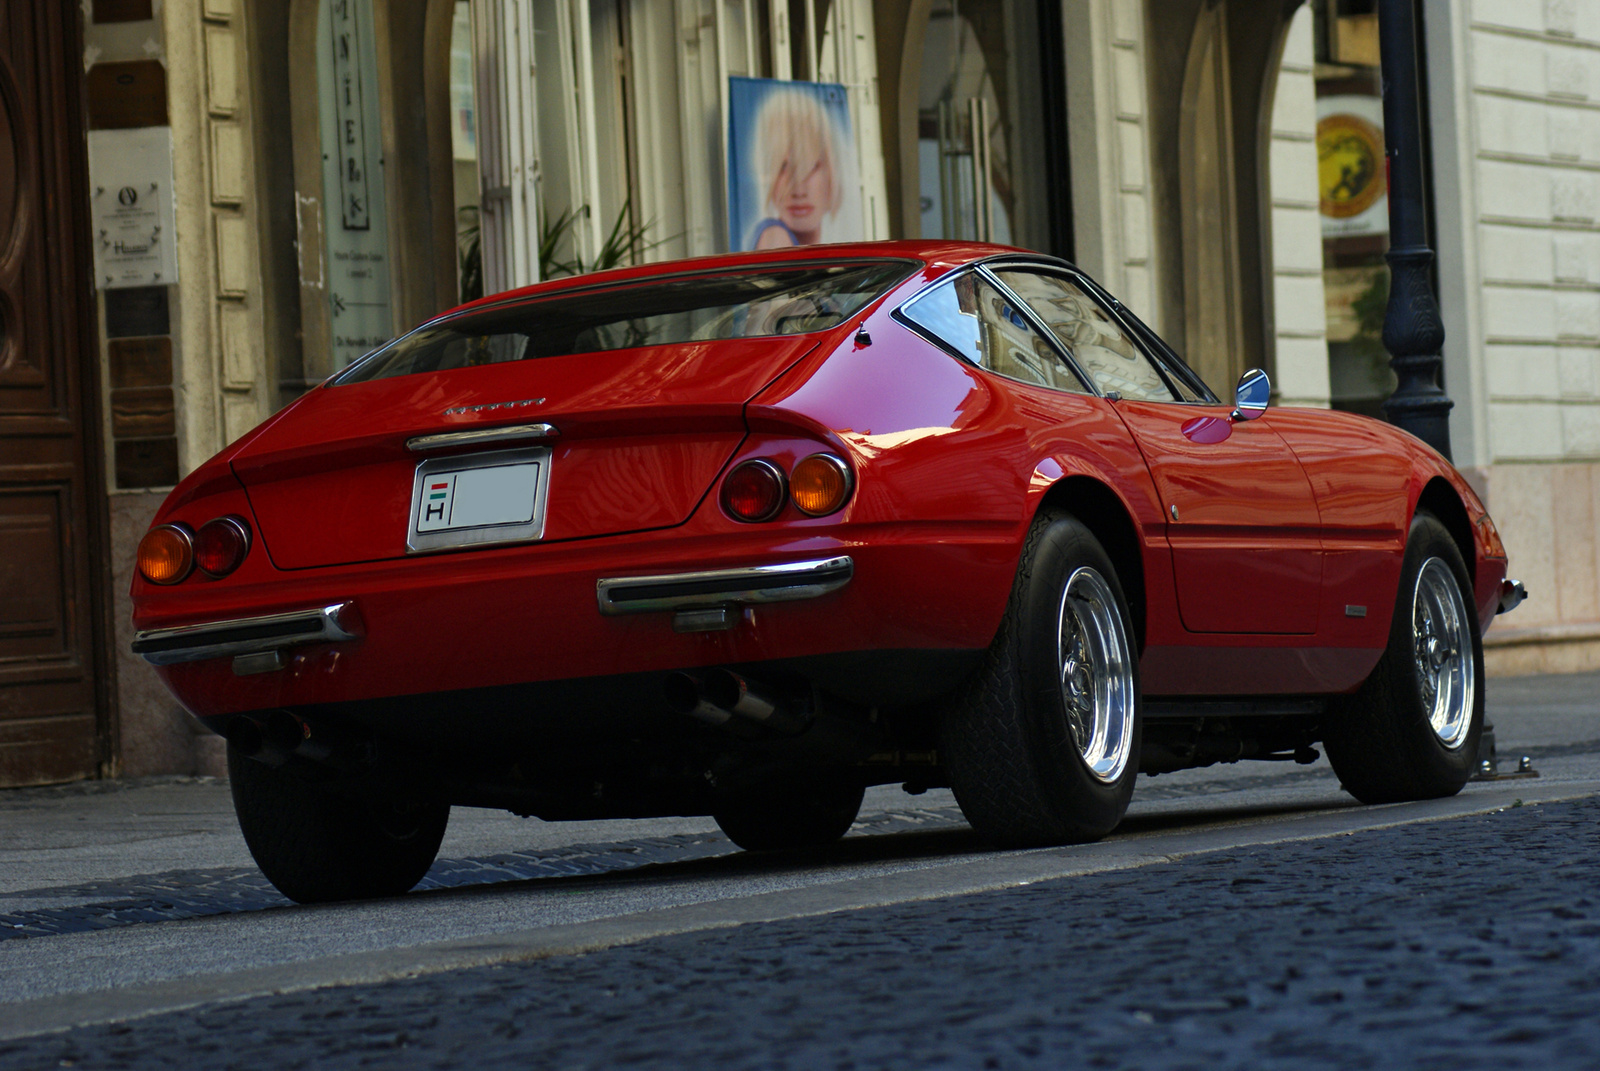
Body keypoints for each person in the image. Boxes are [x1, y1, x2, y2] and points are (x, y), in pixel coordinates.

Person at [748, 88, 845, 249]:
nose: (799, 191)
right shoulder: (775, 237)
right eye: (784, 167)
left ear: (831, 170)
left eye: (812, 167)